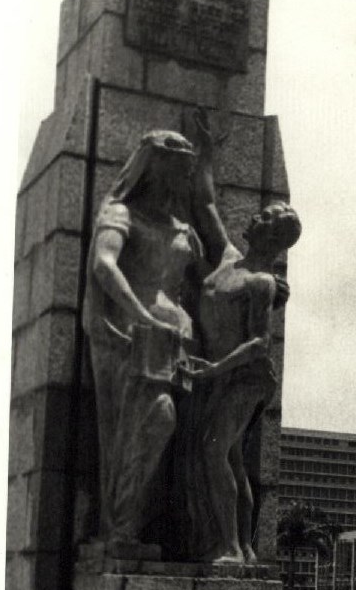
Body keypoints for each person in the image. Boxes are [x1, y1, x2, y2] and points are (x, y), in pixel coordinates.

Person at [83, 130, 206, 556]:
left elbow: (207, 279)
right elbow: (104, 265)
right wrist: (144, 316)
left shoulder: (184, 228)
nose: (185, 179)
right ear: (156, 168)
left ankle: (138, 530)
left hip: (179, 345)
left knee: (182, 441)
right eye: (180, 169)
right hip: (135, 337)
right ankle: (119, 529)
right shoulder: (122, 213)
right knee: (153, 421)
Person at [183, 205, 301, 565]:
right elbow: (206, 208)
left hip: (248, 378)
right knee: (232, 457)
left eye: (264, 219)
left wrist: (214, 369)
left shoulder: (262, 282)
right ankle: (245, 548)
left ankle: (230, 547)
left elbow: (260, 343)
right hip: (224, 375)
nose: (254, 218)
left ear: (275, 238)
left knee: (213, 450)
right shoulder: (230, 258)